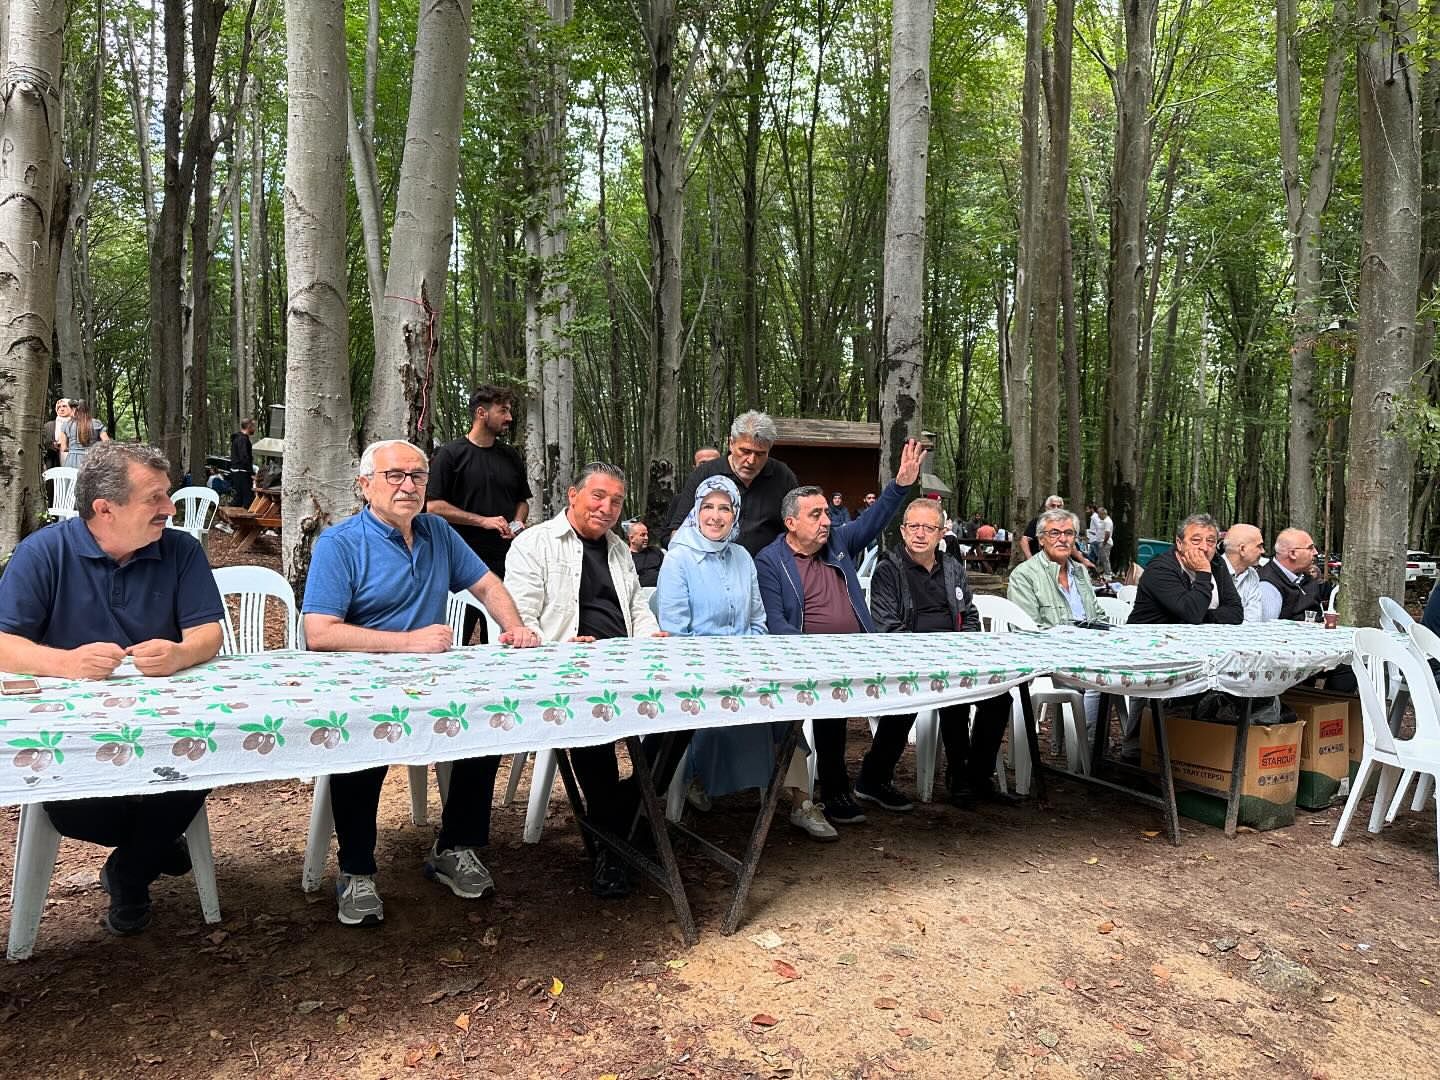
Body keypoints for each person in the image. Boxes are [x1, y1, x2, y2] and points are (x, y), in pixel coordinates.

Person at [302, 440, 540, 927]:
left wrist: (515, 626)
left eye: (417, 476)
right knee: (360, 740)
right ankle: (356, 872)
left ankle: (454, 847)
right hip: (360, 681)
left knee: (487, 722)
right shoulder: (339, 542)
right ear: (365, 484)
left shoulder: (437, 532)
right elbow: (319, 633)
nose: (408, 485)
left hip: (430, 680)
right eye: (395, 476)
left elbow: (488, 585)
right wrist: (406, 641)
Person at [0, 442, 224, 935]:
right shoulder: (44, 552)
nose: (170, 508)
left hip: (170, 721)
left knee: (208, 755)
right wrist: (66, 663)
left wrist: (180, 653)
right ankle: (153, 848)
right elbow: (3, 643)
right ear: (105, 509)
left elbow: (209, 634)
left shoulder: (181, 548)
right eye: (155, 498)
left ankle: (129, 870)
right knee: (73, 809)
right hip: (72, 730)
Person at [505, 462, 672, 898]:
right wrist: (558, 643)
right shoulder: (534, 544)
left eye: (616, 501)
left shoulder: (619, 550)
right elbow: (519, 618)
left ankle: (624, 814)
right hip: (567, 666)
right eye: (598, 496)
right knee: (592, 726)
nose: (607, 507)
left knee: (683, 716)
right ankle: (614, 847)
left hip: (626, 661)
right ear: (572, 495)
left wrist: (650, 634)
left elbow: (636, 606)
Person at [755, 438, 927, 826]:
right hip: (809, 658)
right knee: (830, 708)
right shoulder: (769, 561)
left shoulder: (839, 542)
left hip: (862, 650)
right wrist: (814, 653)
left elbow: (873, 520)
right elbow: (775, 621)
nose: (827, 521)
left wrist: (900, 485)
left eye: (826, 514)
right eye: (815, 515)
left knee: (908, 691)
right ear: (791, 523)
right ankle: (834, 790)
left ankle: (875, 777)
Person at [656, 477, 835, 840]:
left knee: (785, 713)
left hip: (745, 662)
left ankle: (801, 802)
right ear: (696, 511)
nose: (716, 516)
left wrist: (746, 660)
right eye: (708, 507)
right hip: (698, 668)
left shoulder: (742, 557)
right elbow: (675, 633)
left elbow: (757, 621)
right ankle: (697, 777)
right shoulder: (678, 559)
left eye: (725, 508)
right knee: (727, 713)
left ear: (735, 513)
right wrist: (720, 664)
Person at [859, 497, 1014, 810]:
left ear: (942, 533)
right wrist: (933, 659)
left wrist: (963, 647)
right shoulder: (888, 570)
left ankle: (975, 776)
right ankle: (874, 778)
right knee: (931, 696)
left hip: (956, 657)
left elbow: (969, 614)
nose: (919, 533)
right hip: (907, 663)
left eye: (928, 527)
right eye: (913, 526)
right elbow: (888, 627)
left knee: (999, 697)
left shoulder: (952, 568)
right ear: (902, 531)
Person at [425, 385, 532, 645]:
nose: (509, 418)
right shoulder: (450, 455)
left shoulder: (510, 456)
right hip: (461, 560)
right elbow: (433, 507)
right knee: (461, 633)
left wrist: (518, 521)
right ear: (481, 413)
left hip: (509, 560)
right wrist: (482, 521)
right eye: (503, 411)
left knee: (508, 631)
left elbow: (523, 500)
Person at [666, 411, 799, 557]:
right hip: (711, 565)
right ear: (731, 443)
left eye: (760, 454)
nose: (751, 461)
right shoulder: (705, 474)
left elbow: (798, 526)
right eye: (745, 451)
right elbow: (679, 531)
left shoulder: (783, 476)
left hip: (768, 568)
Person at [1128, 514, 1243, 626]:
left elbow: (1236, 612)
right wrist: (1203, 572)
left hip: (1198, 638)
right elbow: (1192, 613)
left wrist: (1202, 616)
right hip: (1149, 637)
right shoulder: (1160, 569)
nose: (1204, 547)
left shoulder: (1217, 563)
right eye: (1196, 540)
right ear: (1179, 543)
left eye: (1210, 541)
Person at [1008, 509, 1108, 627]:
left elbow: (1098, 616)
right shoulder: (1023, 575)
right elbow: (1026, 630)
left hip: (1090, 642)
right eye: (1054, 533)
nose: (1063, 539)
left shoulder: (1080, 571)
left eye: (1069, 533)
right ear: (1041, 539)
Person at [1258, 528, 1332, 622]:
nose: (1315, 552)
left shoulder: (1305, 576)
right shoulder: (1268, 585)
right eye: (1310, 548)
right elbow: (1267, 629)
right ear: (1292, 554)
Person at [1222, 524, 1266, 622]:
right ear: (1242, 549)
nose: (1263, 551)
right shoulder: (1212, 571)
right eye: (1259, 546)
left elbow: (1253, 619)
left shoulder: (1252, 574)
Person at [57, 399, 109, 469]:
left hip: (72, 462)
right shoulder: (96, 423)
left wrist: (74, 449)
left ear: (73, 410)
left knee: (72, 479)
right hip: (91, 461)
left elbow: (63, 448)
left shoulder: (66, 425)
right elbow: (107, 443)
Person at [627, 520, 664, 588]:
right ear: (632, 538)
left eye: (647, 534)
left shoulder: (655, 551)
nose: (646, 538)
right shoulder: (626, 558)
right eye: (642, 535)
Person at [229, 418, 256, 509]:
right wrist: (251, 473)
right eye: (253, 426)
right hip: (242, 472)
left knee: (239, 498)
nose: (254, 429)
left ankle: (229, 520)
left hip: (238, 472)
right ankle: (239, 520)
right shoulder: (242, 439)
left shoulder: (237, 438)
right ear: (249, 426)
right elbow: (244, 457)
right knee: (247, 498)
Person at [41, 398, 71, 469]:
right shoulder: (48, 426)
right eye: (59, 407)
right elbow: (43, 444)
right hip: (53, 462)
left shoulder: (78, 424)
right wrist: (52, 445)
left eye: (64, 406)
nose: (61, 409)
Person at [1097, 506, 1115, 575]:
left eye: (1099, 514)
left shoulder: (1107, 522)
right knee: (1101, 558)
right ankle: (1102, 572)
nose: (1098, 515)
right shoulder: (1104, 521)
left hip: (1106, 543)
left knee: (1105, 559)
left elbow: (1107, 533)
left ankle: (1108, 573)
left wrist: (1104, 543)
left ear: (1103, 514)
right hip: (1103, 542)